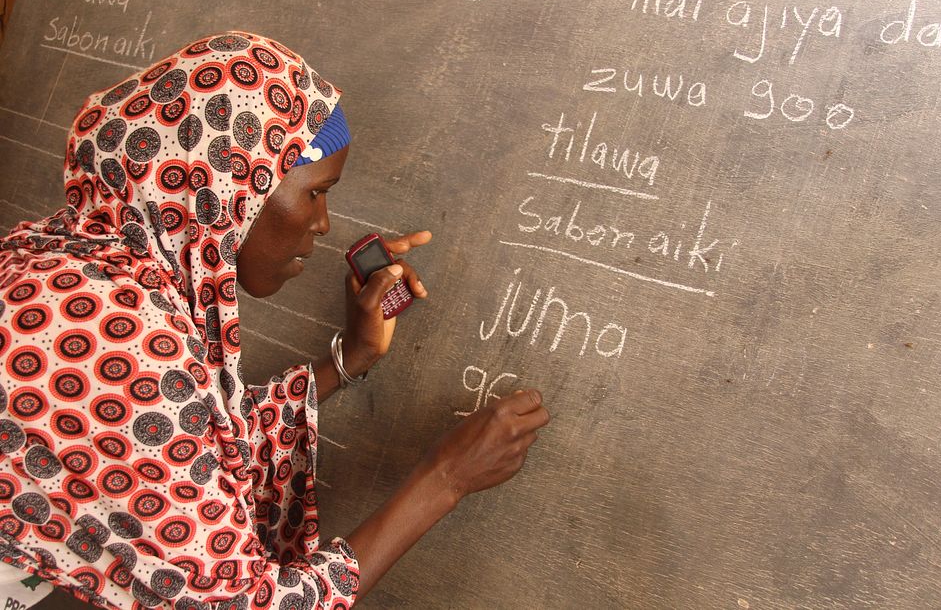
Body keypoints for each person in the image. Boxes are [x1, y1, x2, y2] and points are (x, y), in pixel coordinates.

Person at [0, 32, 549, 608]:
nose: (323, 224)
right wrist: (444, 480)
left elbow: (180, 457)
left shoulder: (82, 269)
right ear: (230, 186)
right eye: (315, 194)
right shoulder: (104, 338)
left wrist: (349, 359)